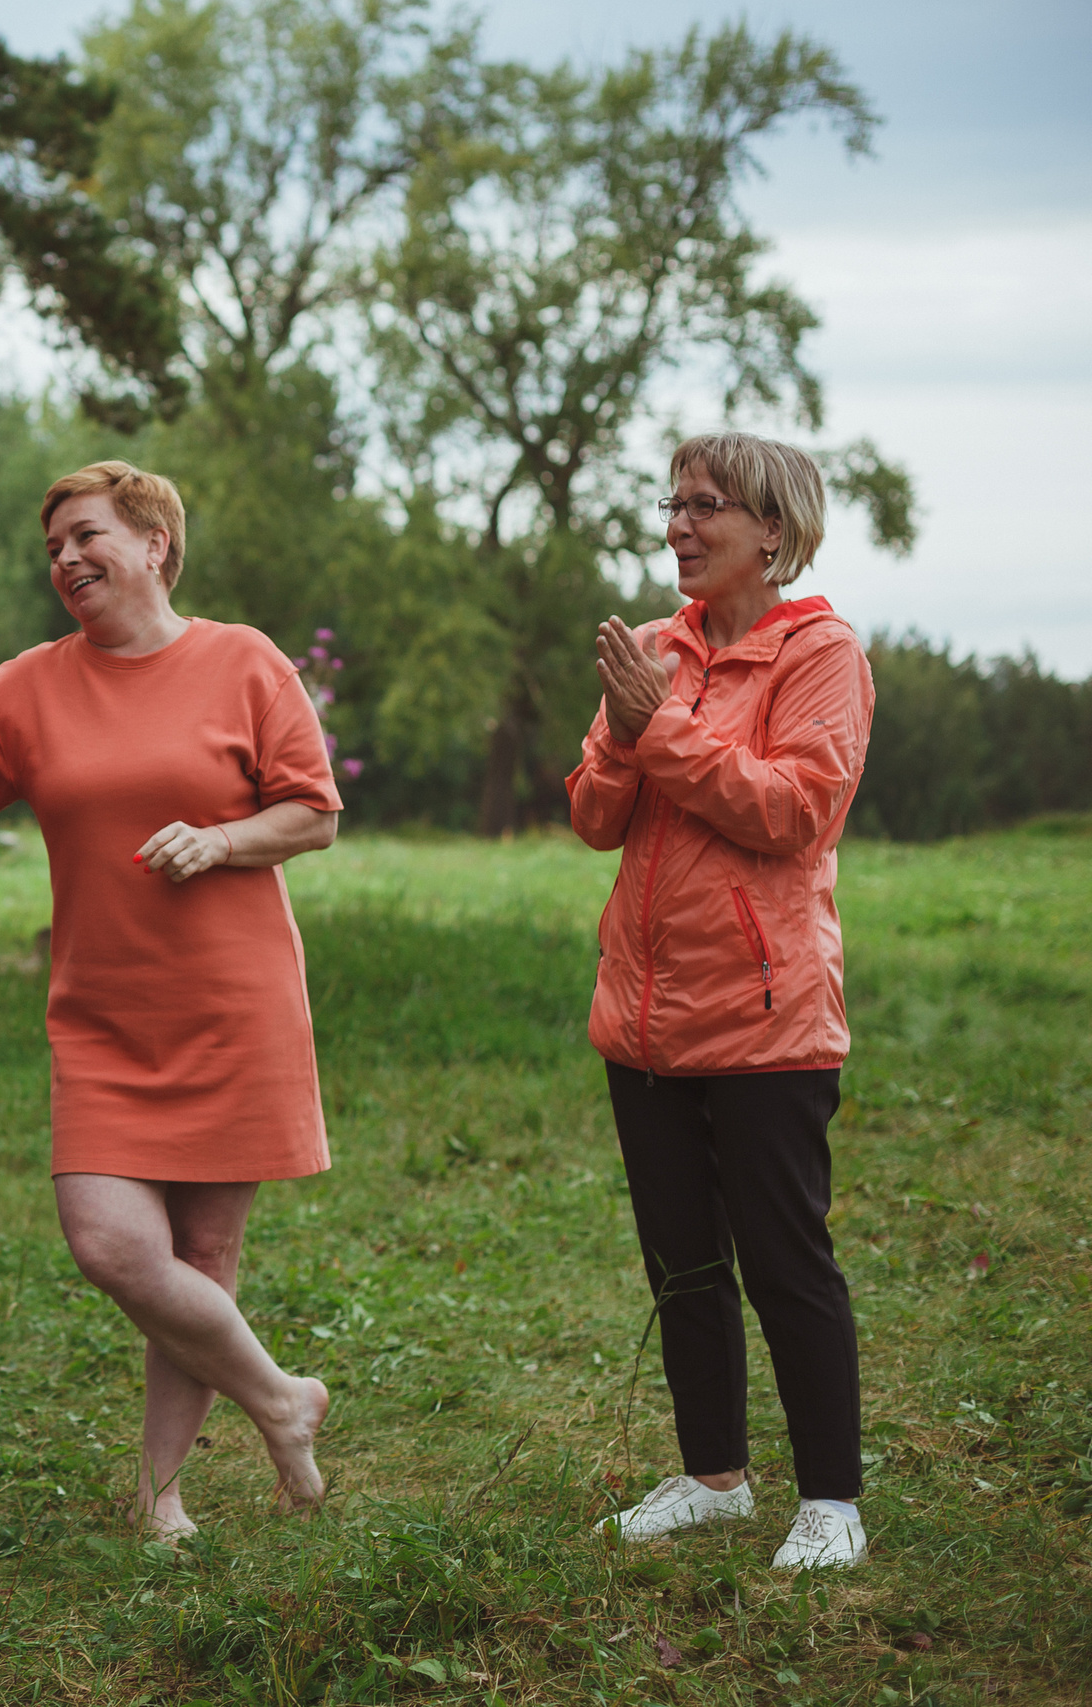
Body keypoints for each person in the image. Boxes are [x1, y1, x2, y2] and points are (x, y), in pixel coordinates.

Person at [0, 460, 340, 1536]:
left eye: (86, 535)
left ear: (155, 544)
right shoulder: (25, 689)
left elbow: (312, 812)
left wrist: (219, 838)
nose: (65, 558)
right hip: (103, 1015)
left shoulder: (242, 662)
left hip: (233, 1006)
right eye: (53, 545)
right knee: (112, 1246)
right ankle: (282, 1400)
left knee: (199, 1261)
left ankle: (161, 1499)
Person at [569, 431, 876, 1573]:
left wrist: (662, 728)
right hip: (642, 1017)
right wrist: (620, 732)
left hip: (764, 1021)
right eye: (674, 502)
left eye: (707, 507)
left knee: (785, 1263)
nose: (679, 526)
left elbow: (794, 812)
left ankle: (830, 1502)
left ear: (773, 531)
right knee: (683, 1265)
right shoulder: (654, 649)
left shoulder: (821, 654)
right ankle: (712, 1478)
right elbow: (597, 816)